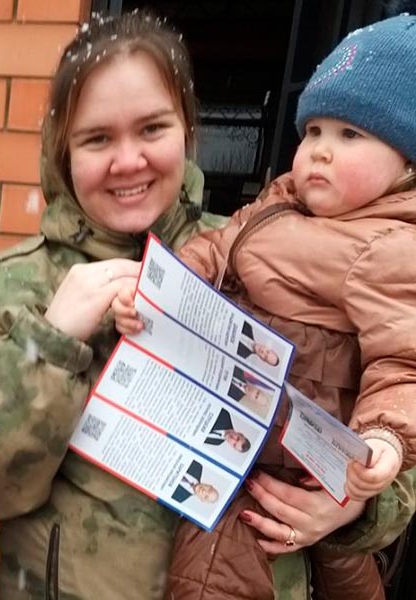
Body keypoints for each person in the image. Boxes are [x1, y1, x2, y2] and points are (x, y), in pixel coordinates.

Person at [0, 10, 416, 600]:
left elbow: (394, 437)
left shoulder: (265, 258)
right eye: (97, 138)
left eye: (152, 129)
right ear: (62, 151)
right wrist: (49, 343)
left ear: (186, 131)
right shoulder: (6, 286)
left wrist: (350, 504)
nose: (128, 161)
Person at [115, 14, 416, 599]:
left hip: (283, 451)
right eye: (314, 131)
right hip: (238, 419)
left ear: (406, 162)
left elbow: (403, 363)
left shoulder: (391, 248)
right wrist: (155, 291)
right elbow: (213, 250)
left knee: (218, 568)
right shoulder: (277, 202)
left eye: (350, 136)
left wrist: (385, 438)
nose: (320, 152)